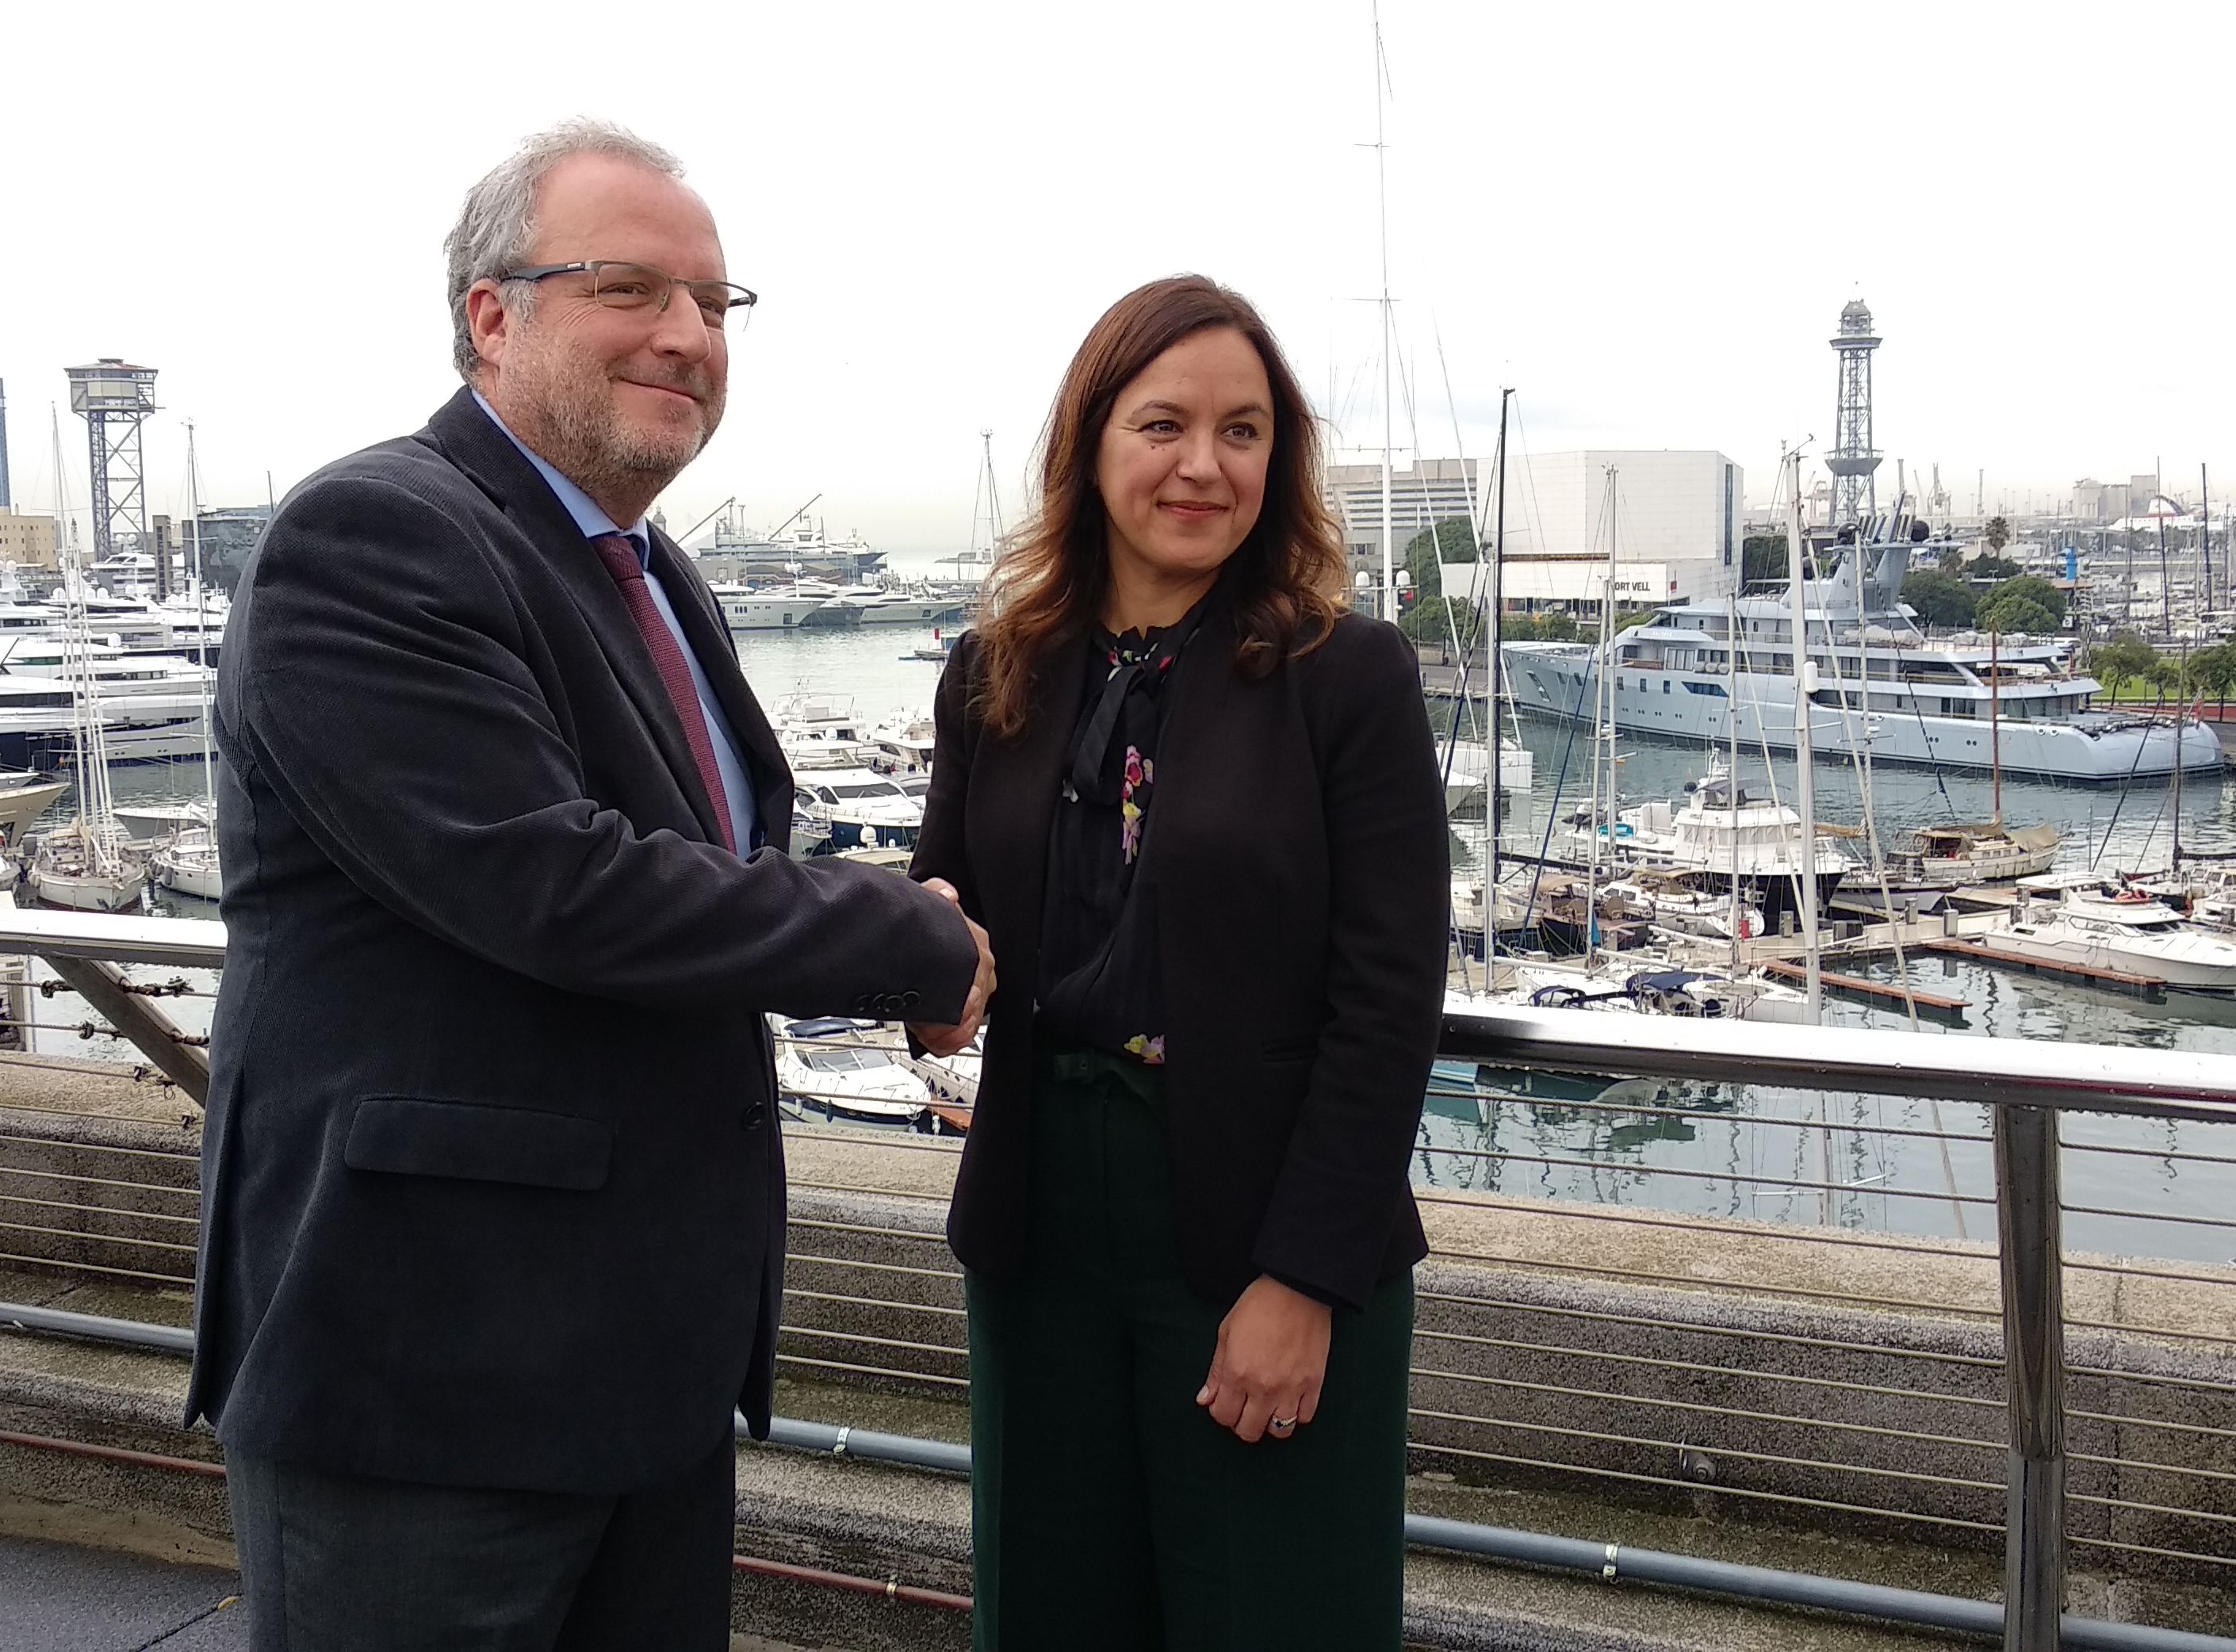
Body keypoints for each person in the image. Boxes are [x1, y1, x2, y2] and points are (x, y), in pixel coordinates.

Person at [190, 119, 997, 1651]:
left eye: (714, 303)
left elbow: (720, 869)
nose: (687, 335)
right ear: (491, 315)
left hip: (642, 1370)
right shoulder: (374, 536)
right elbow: (563, 885)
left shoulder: (644, 562)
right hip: (427, 1371)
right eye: (630, 287)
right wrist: (910, 941)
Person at [907, 275, 1447, 1647]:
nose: (1205, 464)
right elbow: (943, 912)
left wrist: (1306, 1278)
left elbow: (1387, 1000)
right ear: (1090, 443)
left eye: (1245, 431)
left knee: (1275, 1611)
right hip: (1040, 1230)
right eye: (1163, 424)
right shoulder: (994, 672)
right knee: (1052, 1610)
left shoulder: (1350, 678)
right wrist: (914, 972)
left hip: (1262, 1229)